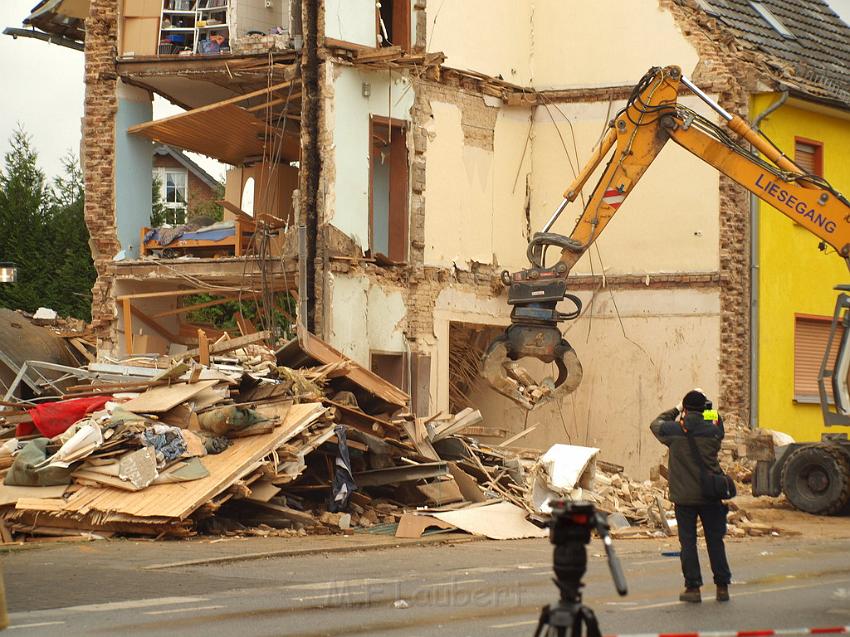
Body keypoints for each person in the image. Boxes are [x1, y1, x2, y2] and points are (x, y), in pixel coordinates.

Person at [650, 389, 731, 603]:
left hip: (684, 498)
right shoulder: (712, 431)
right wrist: (709, 408)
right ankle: (722, 587)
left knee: (688, 543)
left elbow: (655, 423)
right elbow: (719, 424)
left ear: (685, 409)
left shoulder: (674, 430)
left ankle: (693, 588)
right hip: (710, 496)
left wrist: (676, 409)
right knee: (715, 542)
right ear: (704, 409)